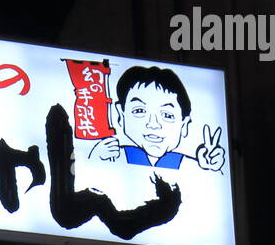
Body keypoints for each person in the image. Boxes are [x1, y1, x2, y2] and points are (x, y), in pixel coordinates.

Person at [88, 65, 225, 173]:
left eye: (167, 115)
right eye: (139, 111)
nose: (153, 124)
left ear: (184, 125)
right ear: (121, 114)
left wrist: (211, 168)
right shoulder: (115, 157)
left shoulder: (187, 165)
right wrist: (94, 159)